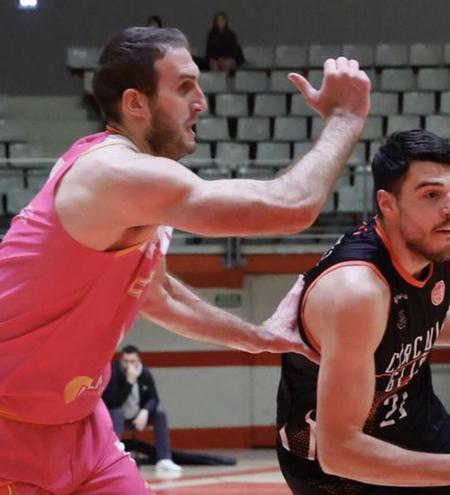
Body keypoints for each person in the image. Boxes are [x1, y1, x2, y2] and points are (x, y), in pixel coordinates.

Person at [0, 26, 369, 494]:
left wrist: (256, 338)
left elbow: (159, 295)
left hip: (80, 426)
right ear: (135, 103)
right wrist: (345, 118)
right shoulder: (113, 174)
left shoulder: (140, 193)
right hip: (9, 430)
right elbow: (292, 205)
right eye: (183, 86)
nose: (202, 101)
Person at [275, 129, 450, 494]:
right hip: (343, 473)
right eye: (431, 195)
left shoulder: (431, 239)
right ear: (387, 204)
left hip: (420, 429)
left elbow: (424, 313)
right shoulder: (357, 293)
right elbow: (339, 451)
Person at [102, 345, 181, 477]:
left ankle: (164, 459)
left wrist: (145, 411)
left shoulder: (144, 372)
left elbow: (154, 398)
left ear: (139, 360)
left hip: (138, 416)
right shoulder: (114, 372)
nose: (129, 365)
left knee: (160, 413)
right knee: (117, 412)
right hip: (118, 417)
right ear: (121, 360)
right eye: (125, 361)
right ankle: (113, 460)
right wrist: (129, 382)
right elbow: (113, 402)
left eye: (132, 361)